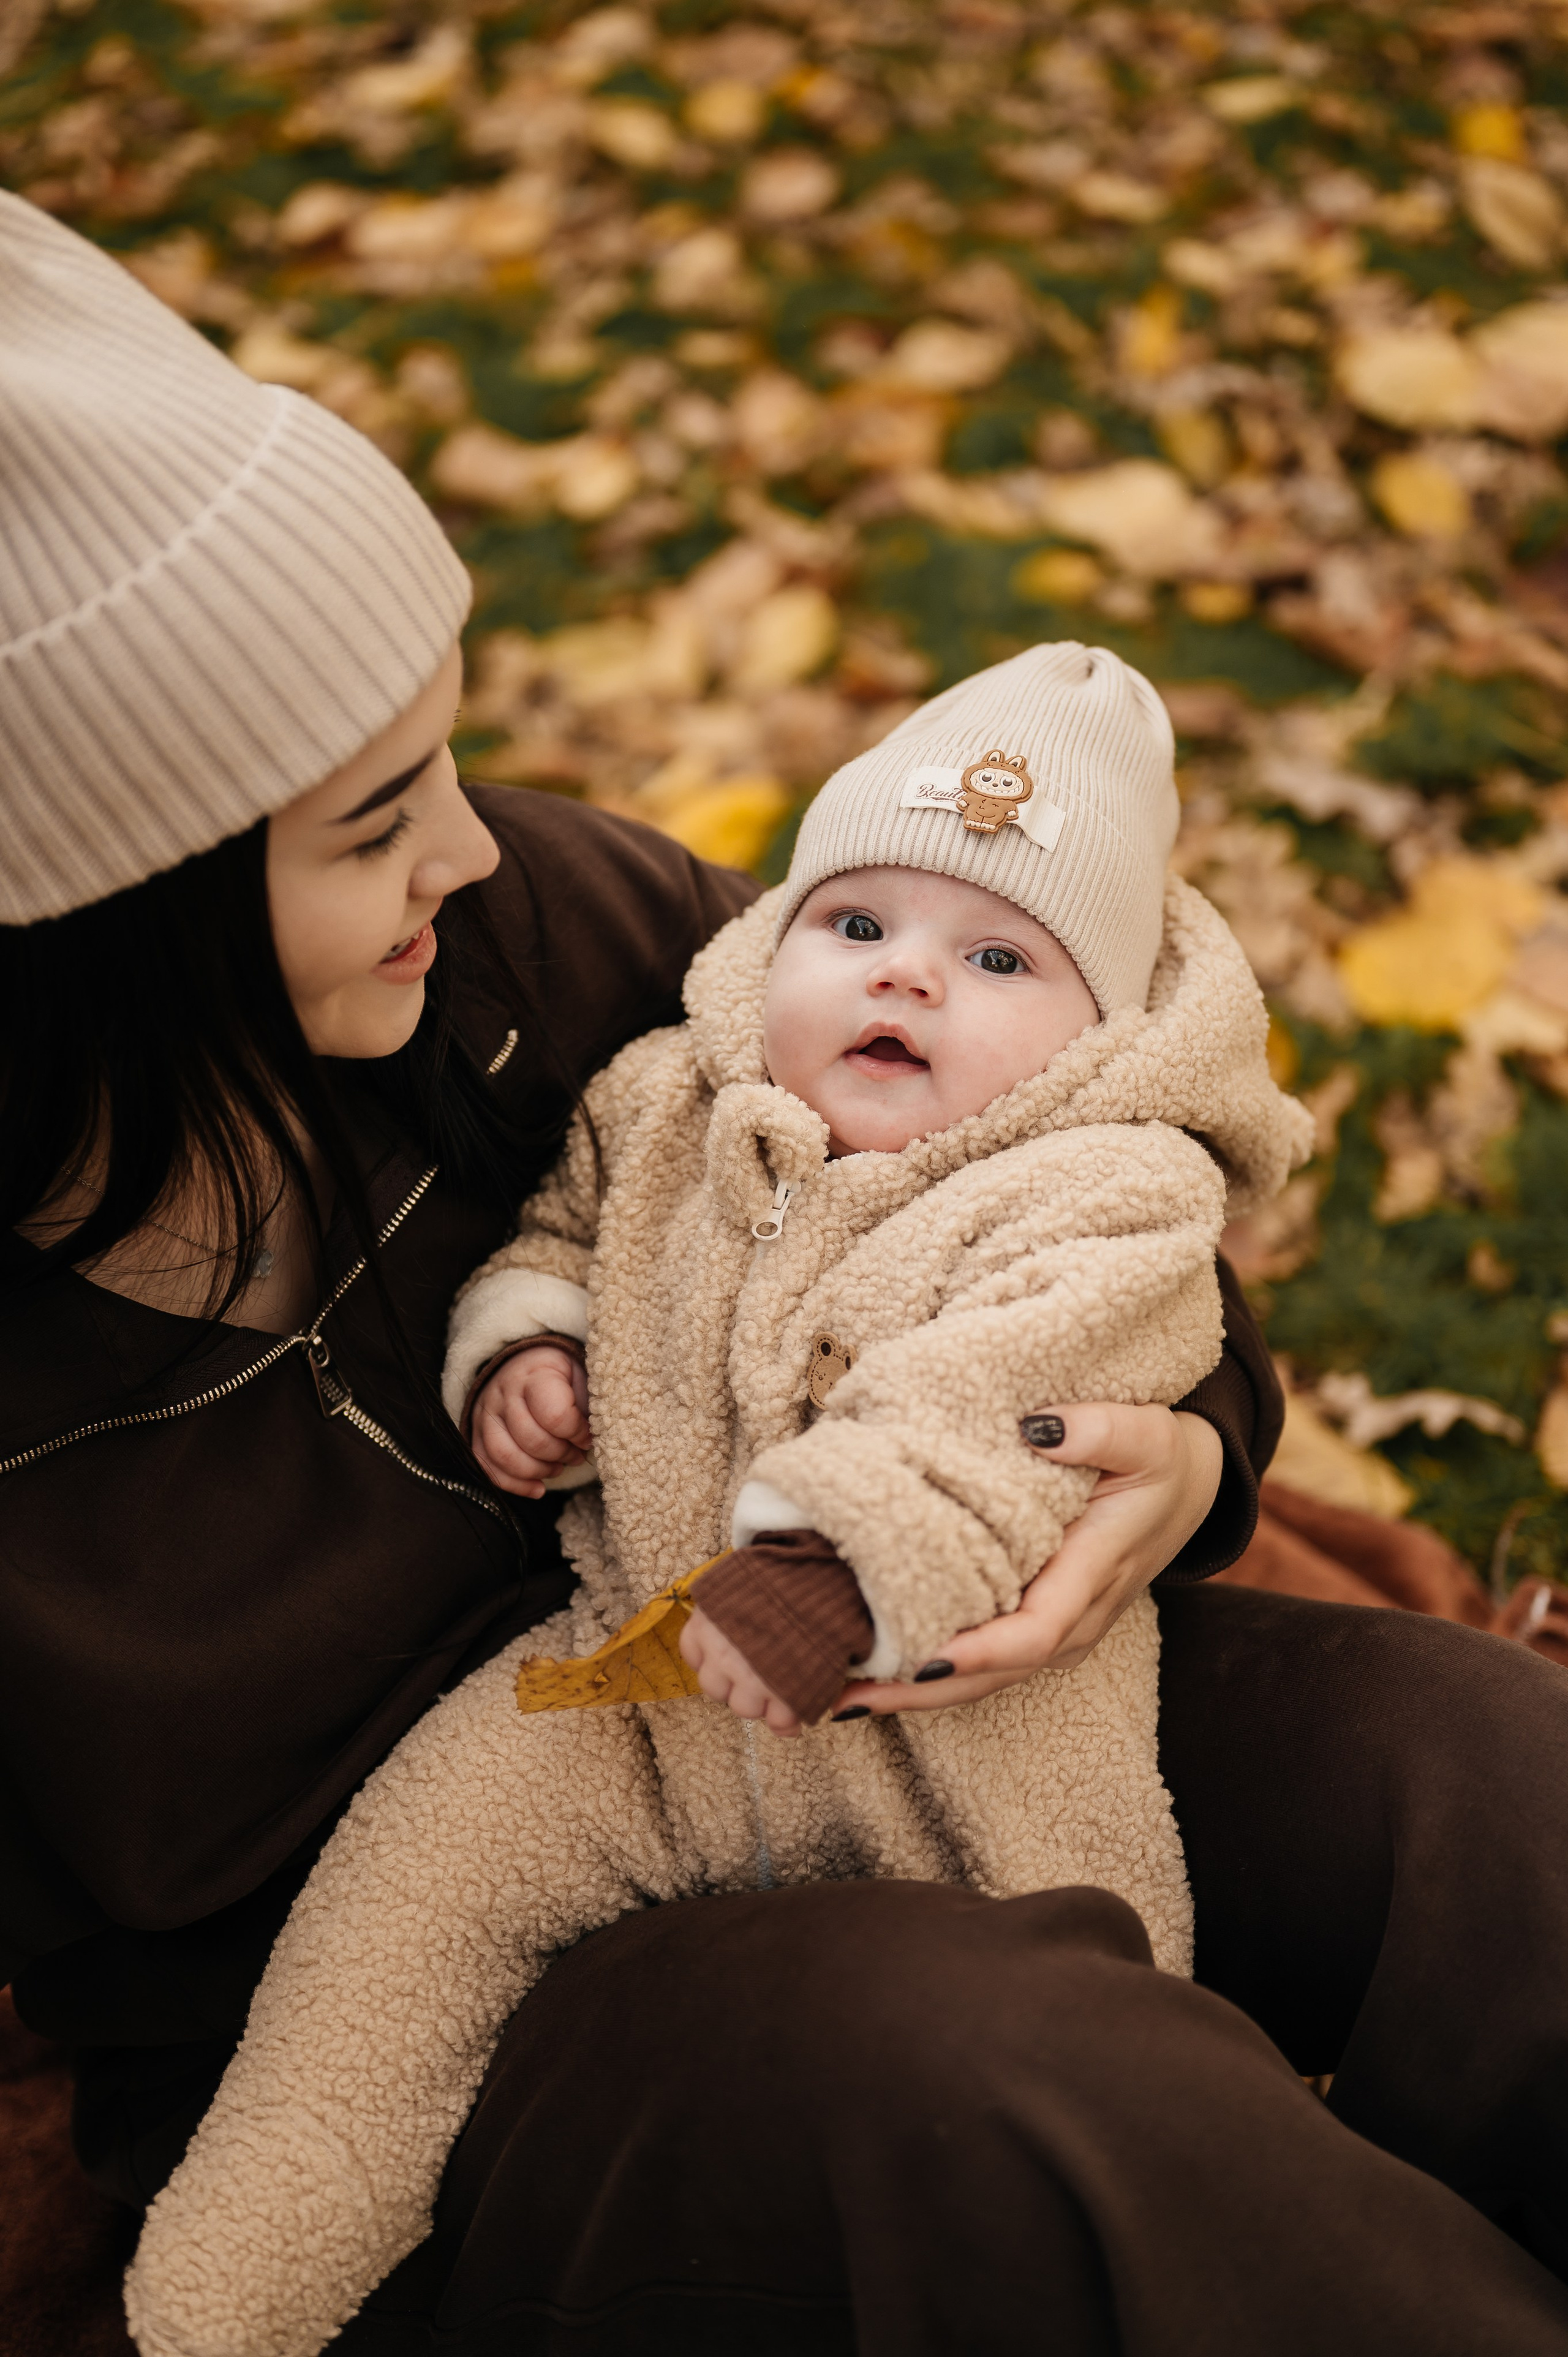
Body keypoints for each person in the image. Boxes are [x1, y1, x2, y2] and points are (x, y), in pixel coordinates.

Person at [2, 192, 1567, 2357]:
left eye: (446, 752)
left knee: (1481, 1774)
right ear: (114, 929)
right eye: (369, 823)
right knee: (1005, 2077)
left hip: (907, 1693)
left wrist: (1188, 1459)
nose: (471, 840)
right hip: (428, 2014)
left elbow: (1054, 1188)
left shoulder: (538, 934)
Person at [124, 644, 1313, 2356]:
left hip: (960, 1726)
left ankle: (1143, 2228)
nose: (906, 976)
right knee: (410, 1898)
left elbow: (988, 1401)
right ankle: (241, 2269)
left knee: (1075, 2026)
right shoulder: (669, 1098)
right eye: (858, 924)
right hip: (638, 1687)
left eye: (996, 959)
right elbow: (567, 1229)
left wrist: (833, 1569)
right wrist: (531, 1346)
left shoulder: (1100, 1190)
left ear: (1099, 1039)